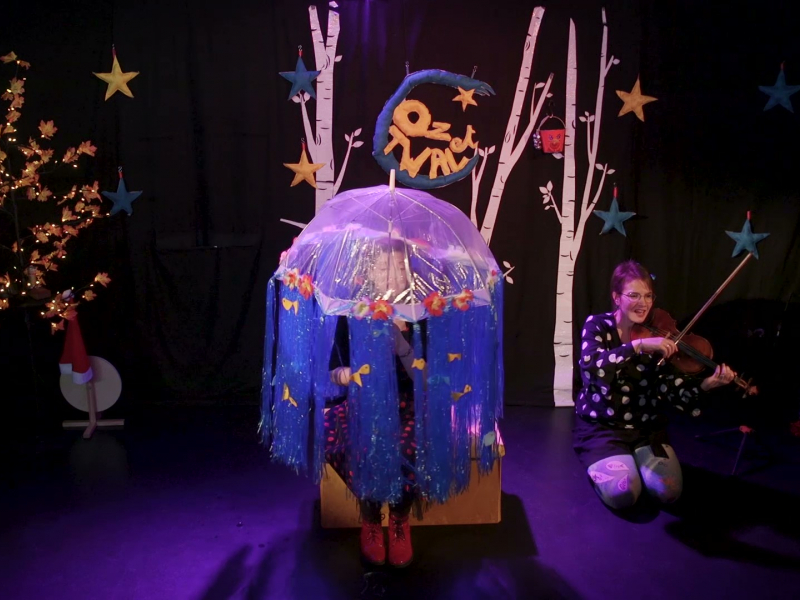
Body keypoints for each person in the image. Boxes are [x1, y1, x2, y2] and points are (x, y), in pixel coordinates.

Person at [573, 260, 735, 510]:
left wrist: (705, 385)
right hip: (604, 428)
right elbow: (592, 366)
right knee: (624, 495)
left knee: (668, 492)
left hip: (645, 429)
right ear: (616, 297)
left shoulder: (659, 335)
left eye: (648, 295)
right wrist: (637, 346)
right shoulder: (598, 325)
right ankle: (608, 459)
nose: (644, 303)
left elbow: (670, 388)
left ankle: (634, 458)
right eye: (634, 295)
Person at [324, 238, 421, 568]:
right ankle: (370, 519)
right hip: (364, 404)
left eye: (399, 269)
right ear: (368, 272)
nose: (392, 276)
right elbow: (332, 371)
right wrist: (350, 375)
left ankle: (399, 519)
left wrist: (401, 343)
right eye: (383, 268)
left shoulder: (423, 314)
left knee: (408, 445)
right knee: (365, 442)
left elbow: (428, 379)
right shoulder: (352, 313)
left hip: (410, 405)